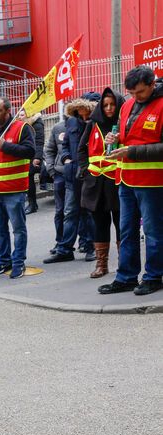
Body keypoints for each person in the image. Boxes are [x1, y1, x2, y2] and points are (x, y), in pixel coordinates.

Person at [100, 66, 163, 296]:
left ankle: (154, 276)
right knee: (126, 231)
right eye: (132, 92)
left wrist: (131, 151)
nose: (136, 97)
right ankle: (126, 277)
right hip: (126, 179)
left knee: (155, 232)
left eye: (140, 92)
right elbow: (125, 136)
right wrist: (114, 139)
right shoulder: (126, 105)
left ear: (152, 84)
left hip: (153, 182)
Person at [0, 97, 36, 279]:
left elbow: (30, 151)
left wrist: (6, 146)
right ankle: (4, 261)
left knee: (18, 229)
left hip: (14, 190)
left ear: (7, 111)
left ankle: (18, 262)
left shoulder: (22, 128)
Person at [76, 87, 124, 279]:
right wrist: (85, 170)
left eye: (112, 104)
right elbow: (81, 149)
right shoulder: (93, 124)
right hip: (95, 185)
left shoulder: (124, 124)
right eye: (105, 105)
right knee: (99, 224)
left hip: (118, 183)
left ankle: (124, 264)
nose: (109, 108)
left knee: (122, 225)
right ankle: (101, 265)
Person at [45, 99, 97, 264]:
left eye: (84, 109)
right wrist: (66, 158)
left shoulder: (96, 123)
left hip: (89, 174)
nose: (82, 113)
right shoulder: (72, 122)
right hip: (71, 175)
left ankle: (91, 248)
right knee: (69, 213)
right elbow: (65, 143)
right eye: (78, 110)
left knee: (88, 213)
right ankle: (65, 249)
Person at [43, 114, 68, 256]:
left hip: (77, 175)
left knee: (83, 212)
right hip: (60, 175)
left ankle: (86, 243)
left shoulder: (85, 125)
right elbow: (49, 150)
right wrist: (52, 170)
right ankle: (60, 242)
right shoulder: (58, 128)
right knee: (60, 211)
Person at [17, 109, 45, 214]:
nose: (20, 117)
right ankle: (32, 204)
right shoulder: (23, 125)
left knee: (29, 179)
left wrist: (37, 157)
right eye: (19, 115)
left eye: (22, 115)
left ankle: (32, 204)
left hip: (33, 156)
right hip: (25, 155)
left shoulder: (36, 124)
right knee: (27, 180)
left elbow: (39, 142)